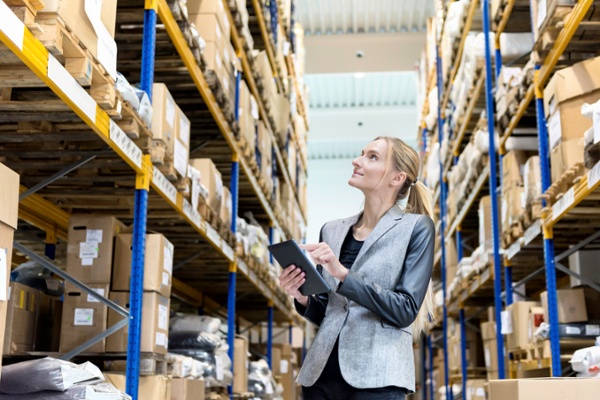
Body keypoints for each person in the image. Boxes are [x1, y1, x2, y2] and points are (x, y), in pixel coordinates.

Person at [279, 136, 435, 400]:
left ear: (397, 178)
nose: (356, 160)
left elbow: (405, 309)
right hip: (320, 376)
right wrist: (302, 296)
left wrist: (341, 273)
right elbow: (329, 313)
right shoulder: (332, 230)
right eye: (362, 153)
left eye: (372, 157)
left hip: (378, 377)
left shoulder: (416, 228)